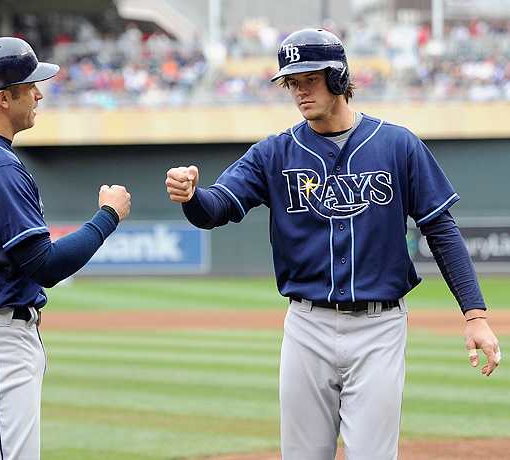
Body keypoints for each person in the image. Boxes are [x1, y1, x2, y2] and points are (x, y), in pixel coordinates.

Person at [164, 28, 501, 460]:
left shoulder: (397, 145)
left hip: (379, 327)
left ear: (339, 78)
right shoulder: (274, 153)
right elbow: (217, 209)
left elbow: (442, 230)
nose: (300, 91)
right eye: (292, 82)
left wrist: (474, 313)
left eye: (310, 78)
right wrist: (191, 196)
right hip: (307, 326)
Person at [0, 37, 131, 460]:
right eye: (29, 85)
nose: (38, 93)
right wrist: (107, 216)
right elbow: (45, 265)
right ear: (3, 98)